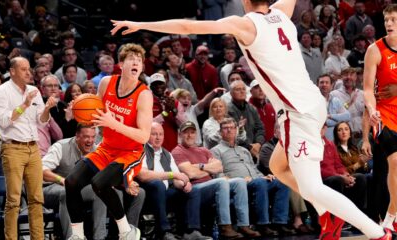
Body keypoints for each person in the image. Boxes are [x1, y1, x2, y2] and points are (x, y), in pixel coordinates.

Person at [110, 0, 390, 238]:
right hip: (312, 103)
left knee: (311, 186)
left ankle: (377, 233)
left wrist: (140, 24)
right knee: (278, 165)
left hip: (298, 112)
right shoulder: (281, 10)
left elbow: (187, 27)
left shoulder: (246, 24)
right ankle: (327, 213)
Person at [64, 43, 153, 240]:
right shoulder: (106, 83)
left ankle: (126, 231)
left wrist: (113, 122)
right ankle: (77, 235)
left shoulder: (144, 95)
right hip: (106, 148)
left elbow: (144, 137)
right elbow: (93, 115)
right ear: (121, 64)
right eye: (132, 59)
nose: (136, 63)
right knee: (71, 182)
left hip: (130, 153)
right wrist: (76, 114)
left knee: (99, 183)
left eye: (139, 61)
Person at [0, 57, 57, 240]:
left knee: (37, 199)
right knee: (14, 200)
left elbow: (41, 120)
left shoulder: (34, 90)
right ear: (13, 71)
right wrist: (24, 105)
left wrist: (47, 108)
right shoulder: (2, 91)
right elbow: (4, 121)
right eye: (23, 69)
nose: (28, 72)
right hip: (13, 148)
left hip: (34, 148)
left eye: (29, 69)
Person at [363, 4, 397, 232]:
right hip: (383, 113)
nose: (389, 24)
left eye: (393, 19)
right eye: (386, 20)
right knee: (395, 163)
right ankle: (390, 218)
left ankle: (391, 217)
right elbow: (366, 88)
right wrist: (371, 108)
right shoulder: (374, 50)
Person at [42, 124, 107, 240]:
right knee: (67, 192)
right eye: (86, 137)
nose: (90, 141)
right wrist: (61, 180)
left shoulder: (96, 150)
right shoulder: (61, 146)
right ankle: (73, 237)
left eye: (93, 137)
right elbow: (42, 170)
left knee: (101, 191)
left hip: (77, 190)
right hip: (50, 188)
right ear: (77, 136)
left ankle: (100, 237)